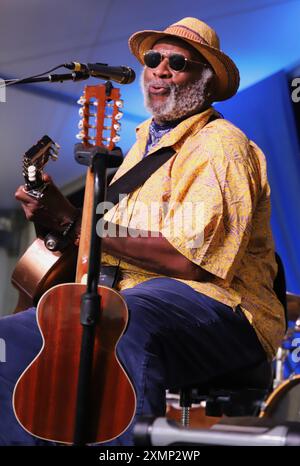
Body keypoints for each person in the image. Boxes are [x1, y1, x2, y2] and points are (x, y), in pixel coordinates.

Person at [0, 17, 286, 446]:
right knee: (9, 342)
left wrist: (72, 221)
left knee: (115, 323)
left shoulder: (221, 144)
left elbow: (185, 260)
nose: (160, 69)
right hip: (128, 297)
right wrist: (53, 213)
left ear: (206, 83)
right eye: (154, 59)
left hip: (220, 308)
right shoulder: (138, 149)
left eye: (179, 62)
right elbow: (102, 237)